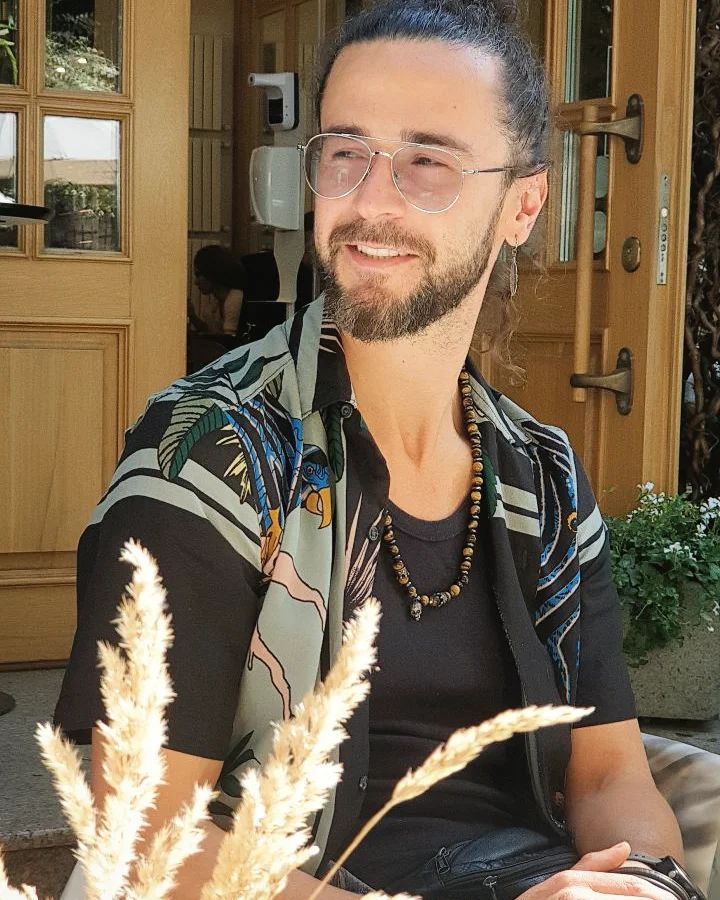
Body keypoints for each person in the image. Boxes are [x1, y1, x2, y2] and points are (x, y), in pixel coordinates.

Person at [55, 1, 700, 897]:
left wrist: (649, 886)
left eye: (428, 161)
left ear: (522, 204)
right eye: (345, 153)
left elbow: (607, 778)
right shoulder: (212, 453)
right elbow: (142, 835)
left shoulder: (542, 478)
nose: (370, 201)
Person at [191, 244, 247, 336]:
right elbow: (212, 333)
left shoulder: (234, 299)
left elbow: (227, 340)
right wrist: (192, 316)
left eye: (198, 275)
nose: (196, 282)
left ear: (212, 272)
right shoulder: (217, 303)